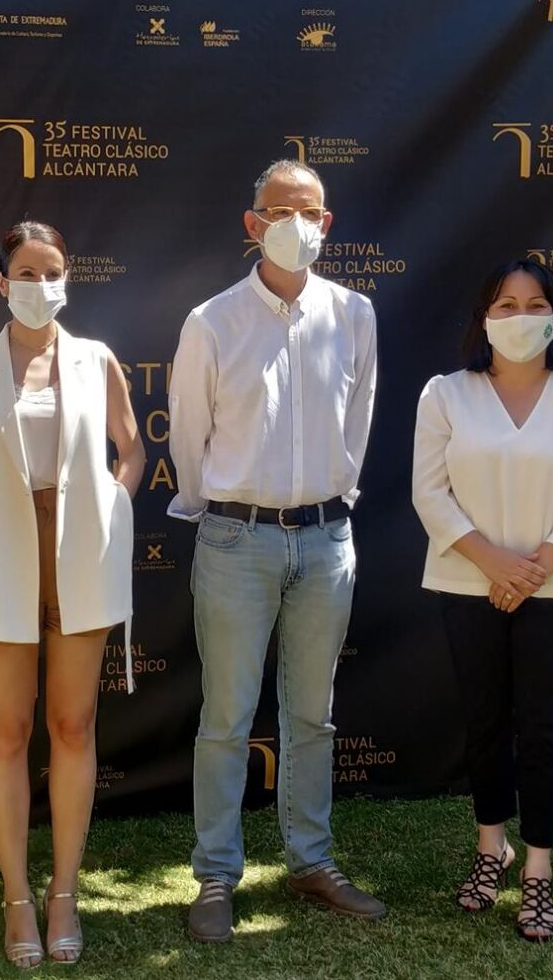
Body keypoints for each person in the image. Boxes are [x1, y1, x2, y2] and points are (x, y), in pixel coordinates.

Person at [0, 221, 144, 969]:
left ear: (68, 277)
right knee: (7, 731)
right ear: (0, 282)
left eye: (52, 271)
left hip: (80, 559)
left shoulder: (95, 359)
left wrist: (115, 508)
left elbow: (132, 449)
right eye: (26, 273)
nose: (40, 285)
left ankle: (63, 891)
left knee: (73, 725)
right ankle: (16, 895)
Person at [169, 159, 383, 943]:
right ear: (252, 222)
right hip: (236, 537)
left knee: (312, 715)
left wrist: (336, 501)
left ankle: (311, 861)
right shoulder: (212, 322)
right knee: (226, 717)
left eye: (311, 212)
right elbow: (188, 437)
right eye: (281, 211)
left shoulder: (354, 313)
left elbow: (358, 418)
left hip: (327, 539)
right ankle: (215, 875)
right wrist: (221, 508)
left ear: (328, 223)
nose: (298, 225)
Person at [410, 258, 553, 943]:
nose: (520, 318)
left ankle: (538, 868)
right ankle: (489, 846)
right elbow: (429, 492)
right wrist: (493, 563)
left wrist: (532, 570)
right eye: (506, 305)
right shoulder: (445, 394)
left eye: (535, 305)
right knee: (485, 723)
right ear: (484, 317)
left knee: (543, 728)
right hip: (469, 581)